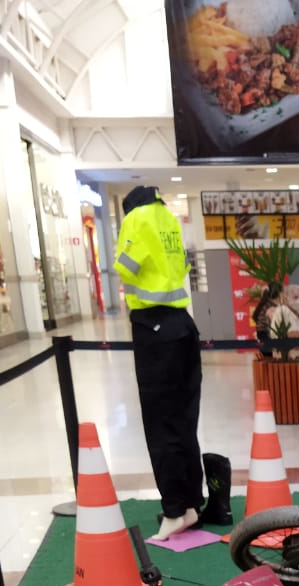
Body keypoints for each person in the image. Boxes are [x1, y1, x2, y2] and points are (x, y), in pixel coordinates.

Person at [114, 185, 203, 540]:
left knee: (160, 424)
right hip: (183, 326)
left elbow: (127, 267)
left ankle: (174, 511)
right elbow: (180, 264)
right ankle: (192, 503)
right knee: (184, 421)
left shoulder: (136, 218)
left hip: (154, 329)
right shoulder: (168, 217)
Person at [252, 280, 282, 354]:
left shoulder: (265, 303)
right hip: (268, 341)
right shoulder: (271, 307)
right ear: (279, 293)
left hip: (263, 340)